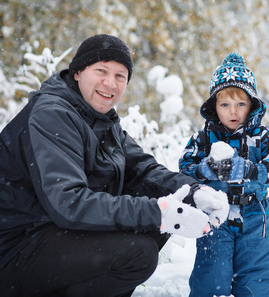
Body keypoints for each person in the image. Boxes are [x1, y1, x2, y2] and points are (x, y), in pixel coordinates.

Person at [0, 34, 229, 297]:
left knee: (166, 199)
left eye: (120, 76)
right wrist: (157, 213)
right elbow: (68, 203)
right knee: (139, 252)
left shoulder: (101, 120)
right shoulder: (52, 114)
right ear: (77, 72)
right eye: (101, 71)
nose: (110, 83)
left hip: (50, 235)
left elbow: (144, 169)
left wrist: (194, 191)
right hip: (14, 249)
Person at [179, 52, 269, 297]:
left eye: (241, 104)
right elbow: (184, 169)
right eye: (225, 104)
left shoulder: (263, 136)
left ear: (252, 105)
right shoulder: (204, 138)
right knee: (211, 276)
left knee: (254, 280)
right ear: (214, 106)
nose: (233, 112)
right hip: (217, 214)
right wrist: (203, 170)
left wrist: (251, 169)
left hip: (256, 216)